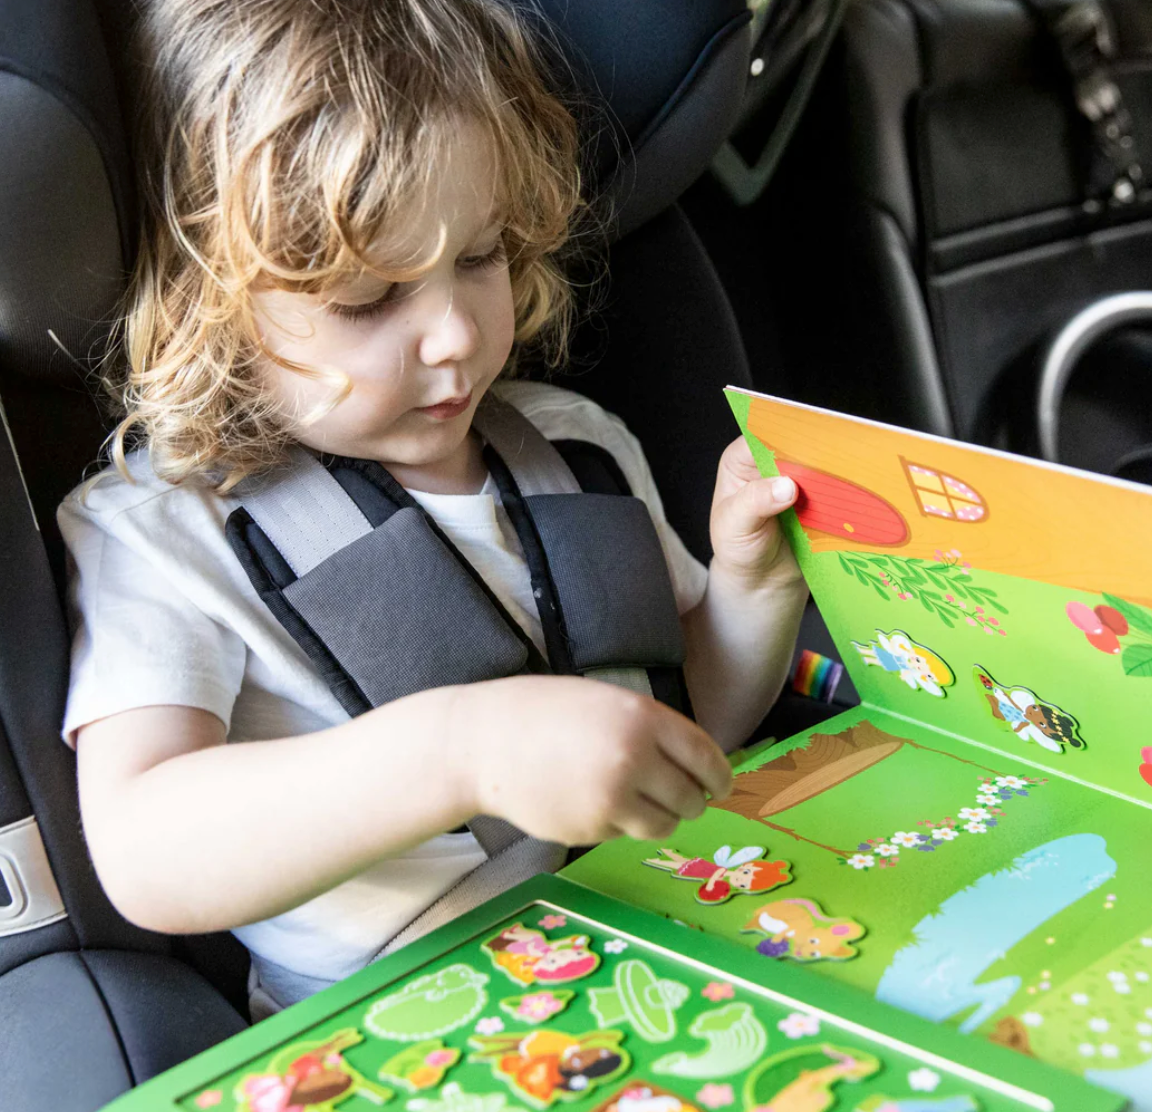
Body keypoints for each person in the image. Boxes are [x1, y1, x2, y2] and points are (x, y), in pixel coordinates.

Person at [60, 0, 808, 1017]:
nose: (454, 333)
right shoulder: (164, 536)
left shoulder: (577, 448)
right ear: (210, 304)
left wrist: (748, 591)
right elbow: (146, 846)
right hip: (404, 1022)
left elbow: (678, 729)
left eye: (481, 254)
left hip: (658, 938)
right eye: (371, 298)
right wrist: (460, 750)